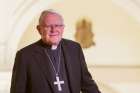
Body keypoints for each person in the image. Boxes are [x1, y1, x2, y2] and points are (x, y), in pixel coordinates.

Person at [10, 9, 101, 93]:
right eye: (48, 26)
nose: (53, 30)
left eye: (57, 25)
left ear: (62, 28)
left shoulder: (74, 49)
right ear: (39, 29)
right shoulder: (25, 56)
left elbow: (87, 84)